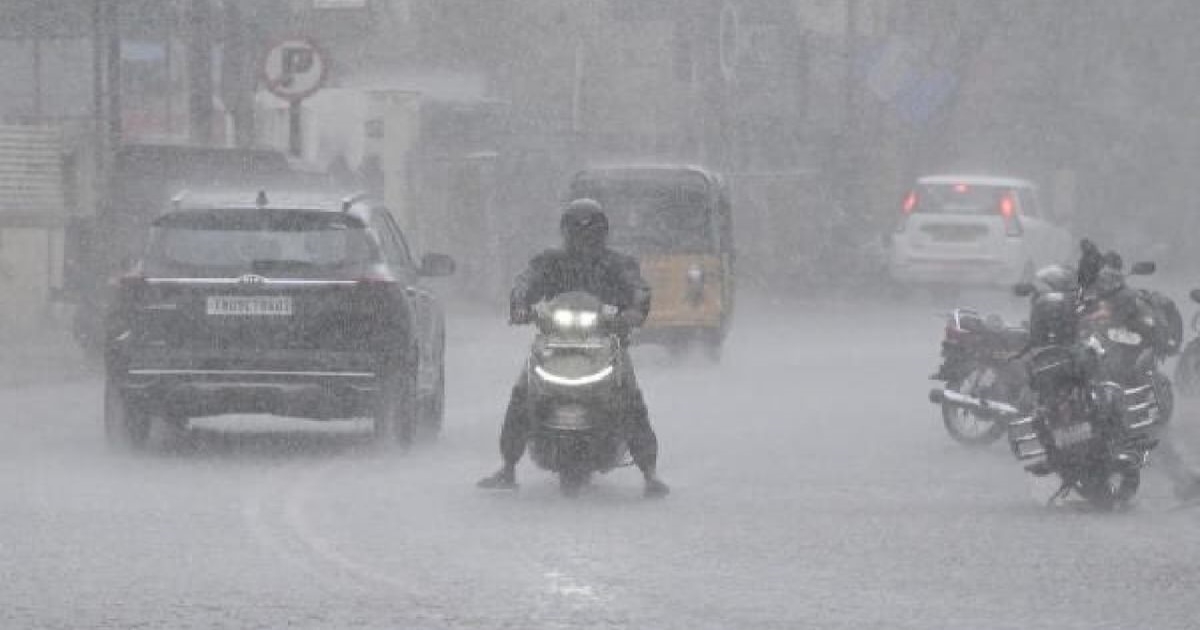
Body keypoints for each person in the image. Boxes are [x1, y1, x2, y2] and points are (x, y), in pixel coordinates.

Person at [477, 198, 670, 497]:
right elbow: (526, 282)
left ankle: (650, 473)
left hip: (605, 341)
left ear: (603, 233)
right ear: (565, 233)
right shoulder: (550, 262)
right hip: (555, 341)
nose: (584, 240)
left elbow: (638, 287)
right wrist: (520, 306)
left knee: (629, 398)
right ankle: (508, 467)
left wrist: (634, 311)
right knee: (523, 393)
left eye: (591, 233)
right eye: (578, 233)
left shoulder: (618, 264)